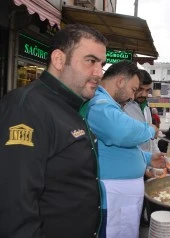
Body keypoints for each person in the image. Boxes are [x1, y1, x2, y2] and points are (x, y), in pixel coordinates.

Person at [0, 24, 107, 238]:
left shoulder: (71, 105)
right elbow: (15, 204)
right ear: (59, 60)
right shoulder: (26, 108)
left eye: (102, 64)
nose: (99, 73)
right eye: (91, 61)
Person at [85, 62, 165, 238]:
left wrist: (148, 157)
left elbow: (116, 148)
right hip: (114, 194)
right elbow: (120, 132)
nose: (133, 96)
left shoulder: (109, 103)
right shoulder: (99, 103)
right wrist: (150, 129)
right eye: (133, 89)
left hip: (122, 195)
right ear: (120, 81)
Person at [124, 69, 160, 153]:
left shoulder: (146, 107)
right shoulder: (123, 106)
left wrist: (158, 155)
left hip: (146, 161)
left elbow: (151, 140)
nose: (144, 94)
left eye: (147, 90)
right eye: (140, 89)